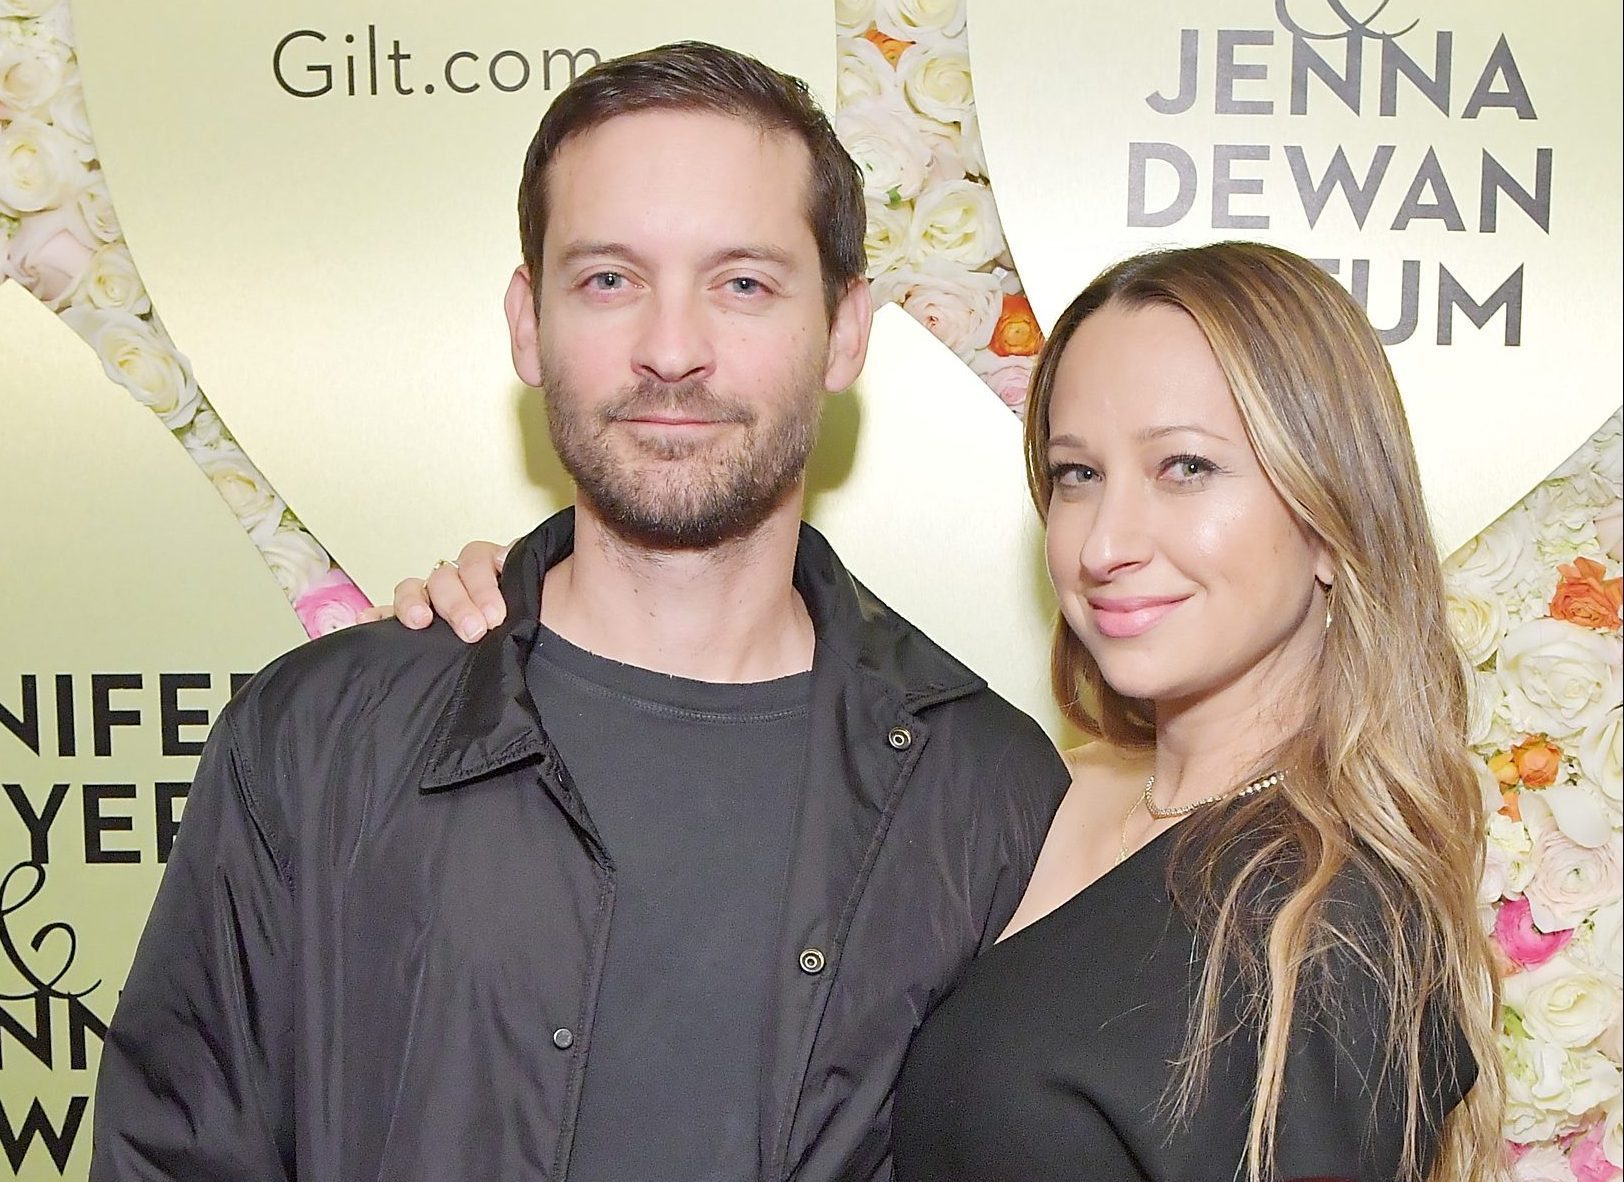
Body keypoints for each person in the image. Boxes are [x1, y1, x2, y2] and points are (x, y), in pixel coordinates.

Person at [90, 42, 1068, 1182]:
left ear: (846, 332)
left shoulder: (986, 791)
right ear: (528, 322)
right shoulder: (319, 736)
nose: (671, 351)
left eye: (743, 284)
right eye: (609, 279)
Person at [407, 242, 1504, 1181]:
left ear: (1328, 516)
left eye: (1184, 467)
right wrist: (541, 609)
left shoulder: (1334, 931)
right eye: (1076, 475)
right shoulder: (1035, 787)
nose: (1106, 542)